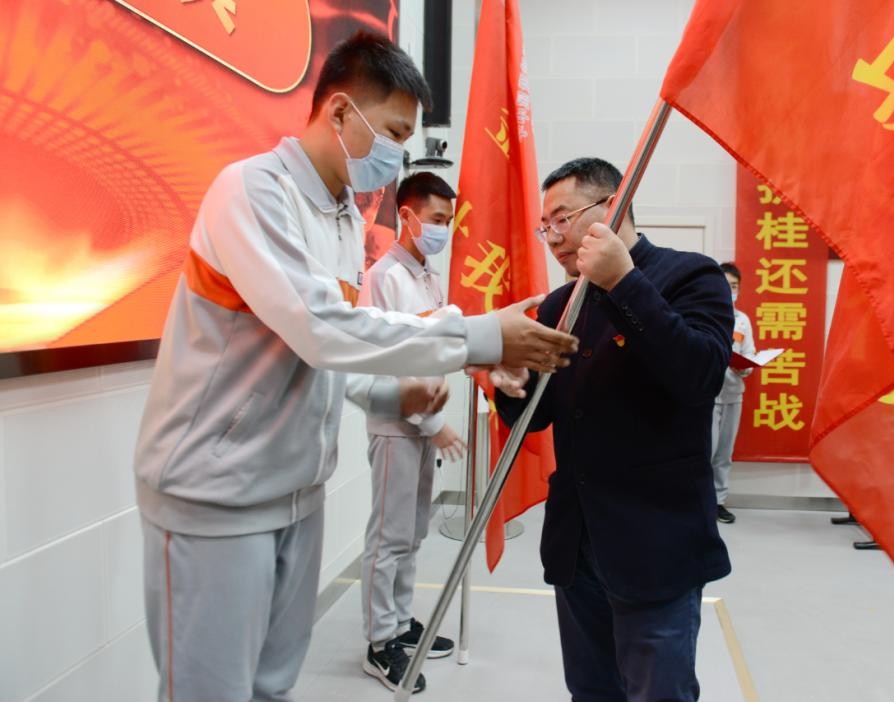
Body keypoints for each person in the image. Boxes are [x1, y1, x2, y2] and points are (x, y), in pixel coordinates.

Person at [133, 31, 577, 702]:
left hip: (294, 487)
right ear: (340, 111)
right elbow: (321, 329)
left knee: (271, 686)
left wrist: (395, 395)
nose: (397, 154)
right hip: (216, 494)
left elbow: (331, 354)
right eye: (393, 133)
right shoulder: (252, 191)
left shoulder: (343, 217)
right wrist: (483, 337)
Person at [492, 158, 735, 702]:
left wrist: (623, 282)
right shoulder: (561, 304)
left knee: (658, 692)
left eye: (563, 218)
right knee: (591, 691)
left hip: (654, 542)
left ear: (612, 205)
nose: (553, 237)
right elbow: (540, 413)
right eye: (545, 226)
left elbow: (698, 375)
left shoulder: (689, 277)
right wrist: (511, 381)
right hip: (578, 542)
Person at [353, 172, 464, 691]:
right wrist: (434, 423)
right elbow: (394, 360)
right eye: (436, 219)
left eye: (448, 220)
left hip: (422, 424)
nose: (443, 229)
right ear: (408, 216)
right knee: (388, 536)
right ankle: (380, 644)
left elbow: (434, 347)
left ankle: (400, 623)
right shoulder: (384, 277)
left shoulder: (427, 276)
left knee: (413, 531)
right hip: (397, 424)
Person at [712, 262, 754, 524]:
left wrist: (745, 367)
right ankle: (701, 503)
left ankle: (718, 501)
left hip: (733, 393)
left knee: (724, 454)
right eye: (725, 285)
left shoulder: (743, 320)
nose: (730, 291)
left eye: (735, 286)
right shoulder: (706, 313)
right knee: (705, 452)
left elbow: (749, 354)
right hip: (707, 396)